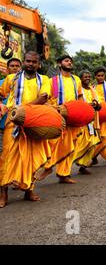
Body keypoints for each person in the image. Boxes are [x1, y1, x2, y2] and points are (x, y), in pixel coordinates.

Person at [0, 51, 51, 207]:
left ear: (38, 64)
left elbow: (43, 98)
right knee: (7, 157)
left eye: (34, 62)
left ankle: (29, 189)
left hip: (34, 121)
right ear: (24, 61)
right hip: (13, 123)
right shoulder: (11, 78)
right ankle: (3, 193)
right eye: (28, 61)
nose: (30, 64)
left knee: (31, 156)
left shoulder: (44, 79)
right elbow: (2, 93)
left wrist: (24, 110)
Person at [38, 55, 83, 184]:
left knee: (69, 146)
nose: (69, 63)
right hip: (56, 116)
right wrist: (54, 109)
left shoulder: (77, 80)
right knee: (52, 144)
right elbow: (45, 99)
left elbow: (80, 97)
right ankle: (48, 167)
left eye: (70, 61)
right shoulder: (52, 81)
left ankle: (64, 174)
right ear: (59, 63)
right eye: (66, 61)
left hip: (73, 117)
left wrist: (82, 111)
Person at [75, 70, 101, 175]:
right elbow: (77, 103)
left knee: (93, 142)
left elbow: (99, 104)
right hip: (81, 120)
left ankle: (83, 165)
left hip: (92, 121)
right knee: (82, 142)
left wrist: (96, 104)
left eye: (89, 76)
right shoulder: (78, 89)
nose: (87, 78)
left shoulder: (92, 90)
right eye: (85, 76)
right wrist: (88, 105)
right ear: (80, 78)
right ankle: (74, 158)